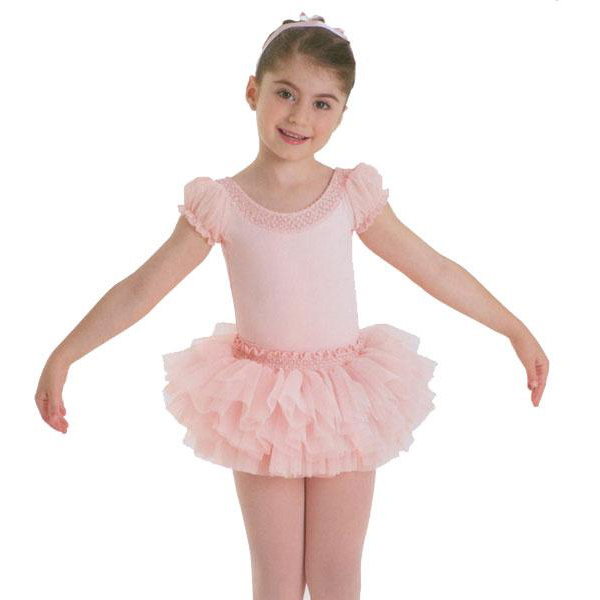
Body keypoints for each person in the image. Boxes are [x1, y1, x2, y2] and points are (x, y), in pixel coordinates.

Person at [34, 11, 549, 600]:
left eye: (322, 103)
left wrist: (515, 329)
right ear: (253, 91)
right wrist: (64, 354)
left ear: (343, 112)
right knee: (276, 583)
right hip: (262, 407)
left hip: (346, 400)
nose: (301, 116)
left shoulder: (349, 193)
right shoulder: (222, 203)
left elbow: (433, 267)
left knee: (336, 579)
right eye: (286, 93)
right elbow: (141, 287)